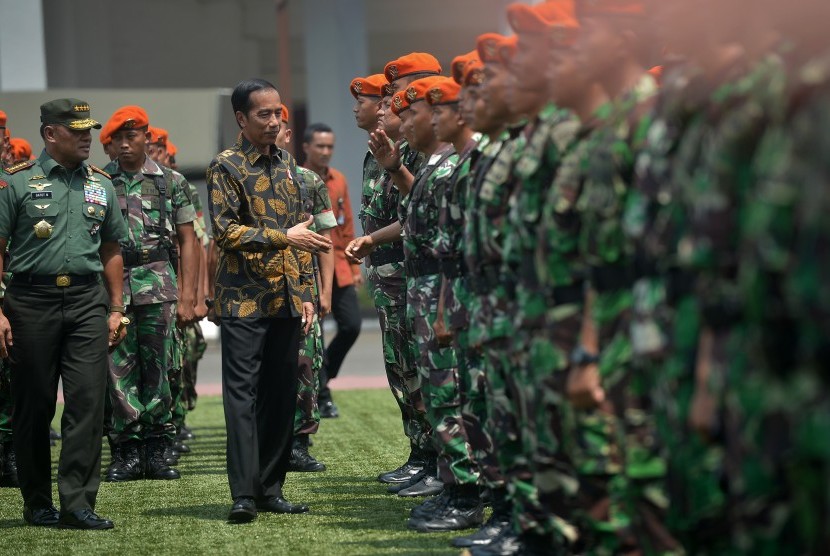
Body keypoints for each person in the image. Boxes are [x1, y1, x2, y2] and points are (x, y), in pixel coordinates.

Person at [207, 78, 332, 524]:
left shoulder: (290, 169)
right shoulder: (225, 167)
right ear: (241, 118)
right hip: (242, 300)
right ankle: (243, 493)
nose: (275, 120)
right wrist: (284, 237)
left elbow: (306, 237)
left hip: (285, 299)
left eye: (278, 112)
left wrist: (308, 296)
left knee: (282, 394)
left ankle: (270, 487)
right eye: (264, 113)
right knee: (242, 396)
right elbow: (225, 232)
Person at [0, 98, 129, 529]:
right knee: (33, 406)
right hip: (29, 302)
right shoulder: (15, 183)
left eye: (88, 129)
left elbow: (111, 249)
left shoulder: (101, 184)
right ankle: (37, 502)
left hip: (86, 302)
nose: (86, 137)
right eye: (76, 130)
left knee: (88, 403)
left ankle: (77, 503)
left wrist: (116, 308)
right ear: (50, 134)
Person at [100, 105, 198, 482]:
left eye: (132, 136)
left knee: (160, 369)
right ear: (109, 145)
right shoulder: (100, 182)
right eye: (117, 139)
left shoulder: (171, 181)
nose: (125, 145)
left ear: (145, 137)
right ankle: (126, 451)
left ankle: (158, 450)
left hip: (158, 286)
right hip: (114, 292)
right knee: (118, 371)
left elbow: (189, 240)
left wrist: (188, 296)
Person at [280, 107, 337, 472]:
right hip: (259, 289)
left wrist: (325, 291)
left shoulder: (309, 182)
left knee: (305, 365)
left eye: (281, 128)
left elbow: (326, 240)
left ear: (288, 135)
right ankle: (269, 441)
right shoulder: (242, 177)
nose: (275, 133)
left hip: (302, 289)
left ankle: (300, 442)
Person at [302, 122, 361, 419]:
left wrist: (353, 263)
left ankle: (324, 378)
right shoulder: (298, 179)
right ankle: (322, 396)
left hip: (338, 264)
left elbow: (346, 223)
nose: (325, 152)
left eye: (329, 147)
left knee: (351, 325)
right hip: (311, 265)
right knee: (316, 334)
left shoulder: (338, 179)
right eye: (320, 146)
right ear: (306, 148)